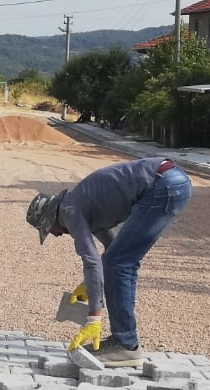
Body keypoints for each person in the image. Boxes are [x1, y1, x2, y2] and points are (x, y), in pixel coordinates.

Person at [25, 156, 192, 367]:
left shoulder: (69, 210)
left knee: (119, 264)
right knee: (119, 260)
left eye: (49, 229)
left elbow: (93, 261)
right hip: (171, 181)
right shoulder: (84, 205)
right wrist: (91, 284)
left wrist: (94, 318)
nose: (55, 234)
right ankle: (125, 342)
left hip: (161, 185)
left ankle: (125, 344)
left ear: (50, 218)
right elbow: (111, 250)